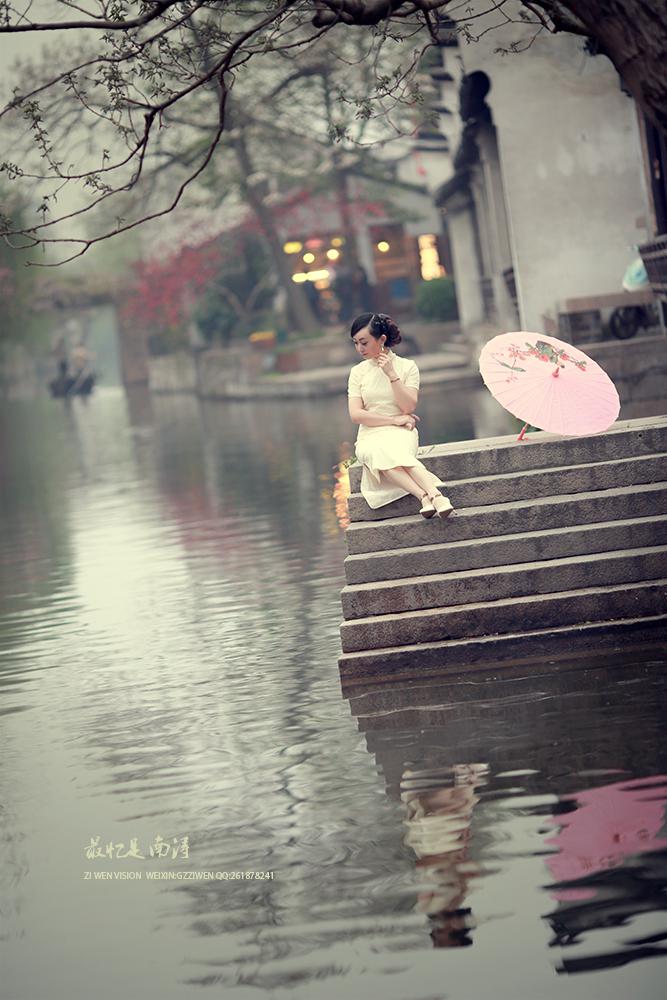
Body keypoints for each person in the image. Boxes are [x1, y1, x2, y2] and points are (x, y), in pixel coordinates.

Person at [347, 312, 454, 518]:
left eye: (364, 342)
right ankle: (431, 495)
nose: (359, 348)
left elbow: (408, 407)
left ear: (382, 339)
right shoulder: (357, 372)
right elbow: (356, 414)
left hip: (402, 430)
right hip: (370, 434)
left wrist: (391, 374)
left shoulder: (407, 367)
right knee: (377, 452)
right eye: (356, 343)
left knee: (391, 453)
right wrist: (394, 419)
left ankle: (428, 498)